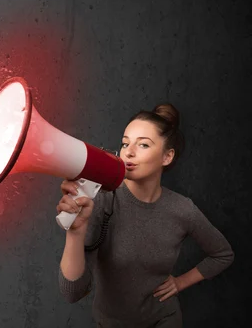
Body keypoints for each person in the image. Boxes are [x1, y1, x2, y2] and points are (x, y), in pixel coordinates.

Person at [56, 103, 234, 327]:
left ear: (167, 157)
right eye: (125, 143)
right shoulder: (102, 200)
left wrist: (180, 283)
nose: (128, 152)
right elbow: (72, 293)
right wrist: (75, 232)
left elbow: (223, 254)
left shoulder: (182, 209)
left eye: (143, 144)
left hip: (163, 320)